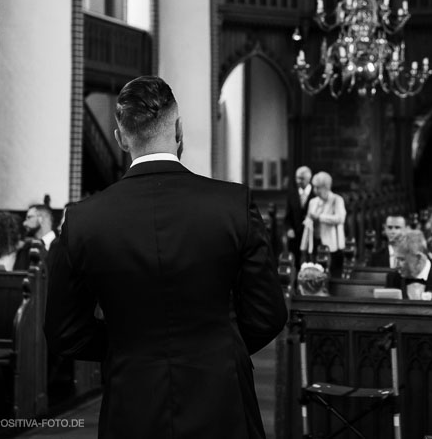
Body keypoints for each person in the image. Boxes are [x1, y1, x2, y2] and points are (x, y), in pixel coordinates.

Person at [44, 75, 286, 438]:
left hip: (132, 395)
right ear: (178, 128)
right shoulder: (232, 204)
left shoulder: (83, 219)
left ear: (121, 138)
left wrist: (127, 345)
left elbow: (64, 332)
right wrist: (218, 346)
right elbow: (268, 314)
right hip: (222, 396)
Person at [385, 229, 432, 300]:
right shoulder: (392, 279)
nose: (397, 265)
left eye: (401, 259)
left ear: (419, 258)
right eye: (396, 259)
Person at [302, 171, 347, 277]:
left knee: (332, 274)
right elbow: (308, 220)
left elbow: (340, 218)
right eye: (314, 187)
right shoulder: (313, 202)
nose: (315, 191)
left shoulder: (337, 199)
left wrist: (320, 218)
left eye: (318, 188)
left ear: (326, 187)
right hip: (315, 243)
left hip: (332, 245)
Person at [285, 165, 314, 264]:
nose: (298, 181)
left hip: (311, 236)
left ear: (309, 178)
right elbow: (288, 216)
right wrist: (289, 229)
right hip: (295, 236)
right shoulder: (292, 194)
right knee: (295, 262)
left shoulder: (315, 193)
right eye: (297, 178)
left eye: (301, 178)